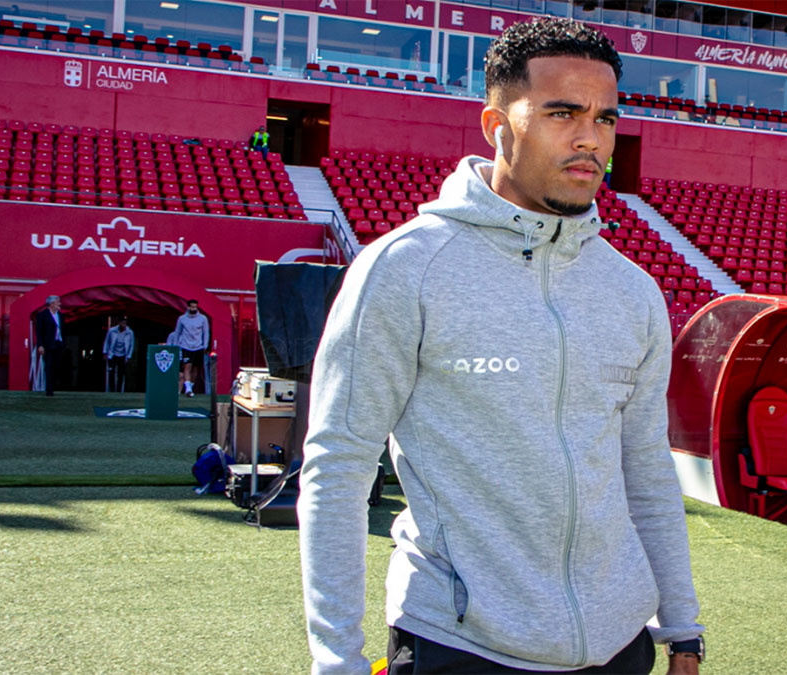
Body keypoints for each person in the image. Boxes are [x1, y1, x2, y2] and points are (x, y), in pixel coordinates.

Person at [298, 17, 703, 675]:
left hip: (619, 647)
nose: (587, 138)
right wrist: (337, 660)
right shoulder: (404, 267)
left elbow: (645, 469)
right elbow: (339, 464)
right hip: (461, 646)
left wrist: (681, 627)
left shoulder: (633, 291)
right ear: (496, 125)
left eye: (604, 118)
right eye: (561, 112)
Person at [172, 299, 208, 397]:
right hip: (186, 346)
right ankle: (187, 389)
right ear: (188, 307)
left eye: (195, 307)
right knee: (187, 366)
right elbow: (177, 332)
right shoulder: (182, 319)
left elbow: (206, 332)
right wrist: (175, 346)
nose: (193, 309)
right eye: (192, 307)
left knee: (196, 369)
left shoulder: (203, 319)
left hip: (198, 346)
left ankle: (190, 388)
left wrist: (205, 345)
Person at [34, 295, 64, 396]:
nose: (60, 304)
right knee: (49, 366)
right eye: (58, 302)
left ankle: (55, 385)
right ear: (51, 304)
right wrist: (40, 345)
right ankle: (49, 389)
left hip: (58, 343)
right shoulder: (42, 315)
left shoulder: (61, 315)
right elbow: (39, 331)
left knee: (57, 366)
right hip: (48, 345)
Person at [103, 316, 135, 392]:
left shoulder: (130, 332)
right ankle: (112, 389)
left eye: (125, 323)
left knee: (121, 374)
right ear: (119, 323)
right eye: (122, 323)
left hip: (123, 355)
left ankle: (119, 390)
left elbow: (131, 345)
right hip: (112, 354)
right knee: (111, 372)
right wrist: (105, 352)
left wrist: (129, 356)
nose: (124, 325)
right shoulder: (112, 331)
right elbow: (107, 341)